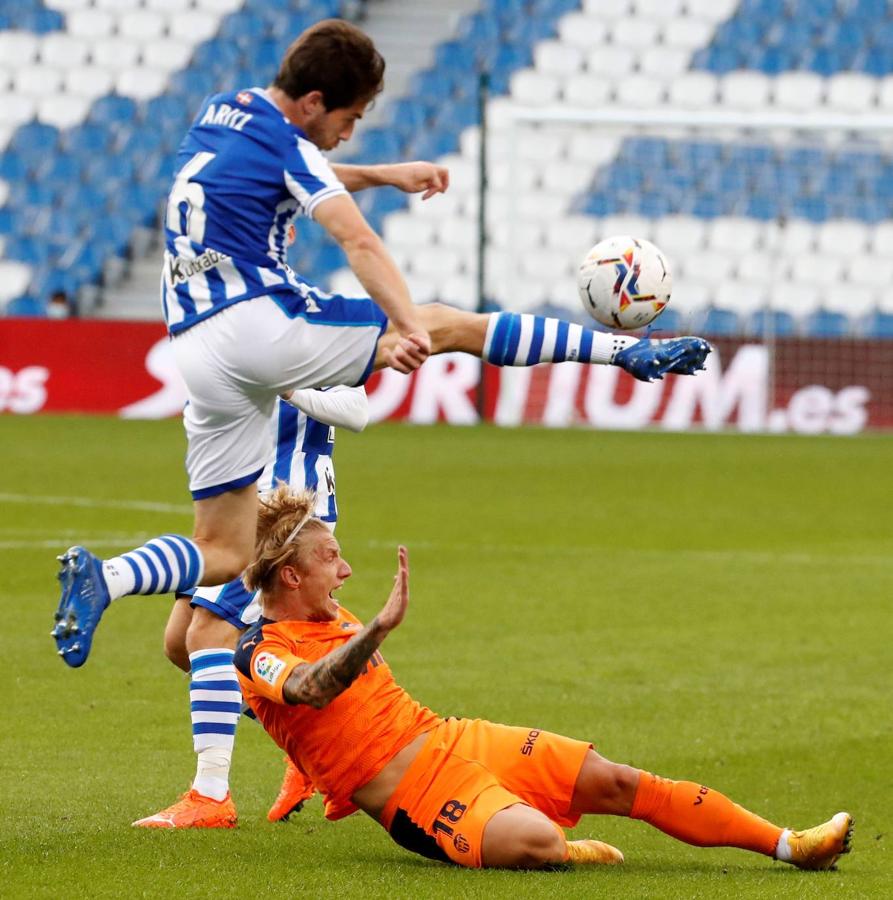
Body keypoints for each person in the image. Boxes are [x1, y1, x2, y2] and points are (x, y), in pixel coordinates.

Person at [52, 19, 711, 668]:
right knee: (451, 325)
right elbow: (357, 240)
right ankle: (620, 352)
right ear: (313, 103)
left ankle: (104, 578)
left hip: (194, 343)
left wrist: (382, 173)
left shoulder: (225, 110)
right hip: (258, 322)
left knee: (224, 548)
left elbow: (291, 168)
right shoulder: (295, 149)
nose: (350, 129)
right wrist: (408, 329)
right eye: (352, 117)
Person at [233, 486, 853, 872]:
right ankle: (552, 841)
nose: (344, 569)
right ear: (289, 576)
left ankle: (790, 845)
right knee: (538, 844)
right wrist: (379, 631)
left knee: (615, 779)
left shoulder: (329, 611)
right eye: (329, 557)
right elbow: (309, 688)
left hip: (454, 740)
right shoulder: (260, 649)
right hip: (412, 800)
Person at [132, 384, 366, 829]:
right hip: (237, 507)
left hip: (284, 513)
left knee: (208, 633)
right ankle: (304, 747)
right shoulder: (241, 335)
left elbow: (355, 410)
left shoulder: (315, 334)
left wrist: (286, 384)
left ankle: (211, 795)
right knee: (180, 645)